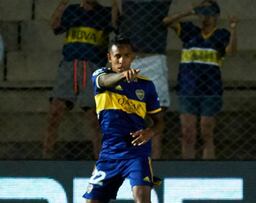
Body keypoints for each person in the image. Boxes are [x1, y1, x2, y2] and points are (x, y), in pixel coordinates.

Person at [83, 36, 164, 203]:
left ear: (132, 57)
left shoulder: (146, 85)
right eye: (117, 56)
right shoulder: (100, 76)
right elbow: (105, 81)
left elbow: (160, 121)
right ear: (109, 57)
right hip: (109, 153)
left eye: (126, 56)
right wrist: (122, 76)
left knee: (141, 198)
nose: (122, 60)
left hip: (136, 152)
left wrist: (150, 132)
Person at [43, 0, 120, 159]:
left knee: (94, 117)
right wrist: (62, 4)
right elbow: (54, 25)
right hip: (69, 66)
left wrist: (114, 3)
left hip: (93, 67)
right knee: (55, 112)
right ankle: (47, 157)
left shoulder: (104, 13)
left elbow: (115, 23)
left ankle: (101, 160)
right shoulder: (72, 10)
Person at [163, 0, 237, 159]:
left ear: (216, 16)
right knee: (188, 132)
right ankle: (188, 167)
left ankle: (207, 167)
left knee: (206, 132)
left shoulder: (221, 35)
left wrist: (233, 29)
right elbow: (166, 22)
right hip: (187, 88)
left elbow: (230, 51)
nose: (206, 18)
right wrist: (189, 11)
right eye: (203, 14)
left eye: (209, 15)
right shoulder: (189, 31)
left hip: (211, 89)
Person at [119, 0, 172, 159]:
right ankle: (130, 161)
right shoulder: (129, 4)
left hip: (154, 58)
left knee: (156, 115)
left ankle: (153, 163)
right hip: (134, 61)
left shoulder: (159, 4)